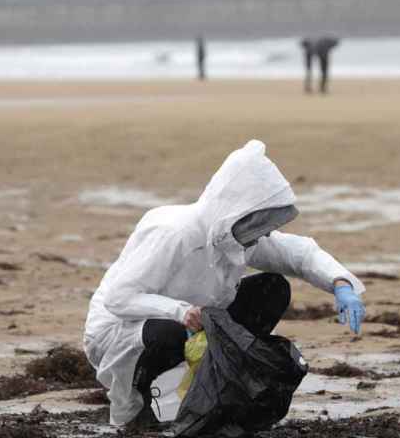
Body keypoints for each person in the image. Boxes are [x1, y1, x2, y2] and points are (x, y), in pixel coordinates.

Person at [83, 140, 367, 429]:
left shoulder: (237, 239)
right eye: (259, 222)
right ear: (238, 211)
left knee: (272, 289)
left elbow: (299, 254)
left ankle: (220, 382)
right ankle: (136, 401)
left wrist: (340, 283)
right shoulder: (174, 232)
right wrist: (179, 311)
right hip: (120, 331)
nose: (263, 234)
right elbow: (119, 298)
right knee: (170, 332)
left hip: (192, 322)